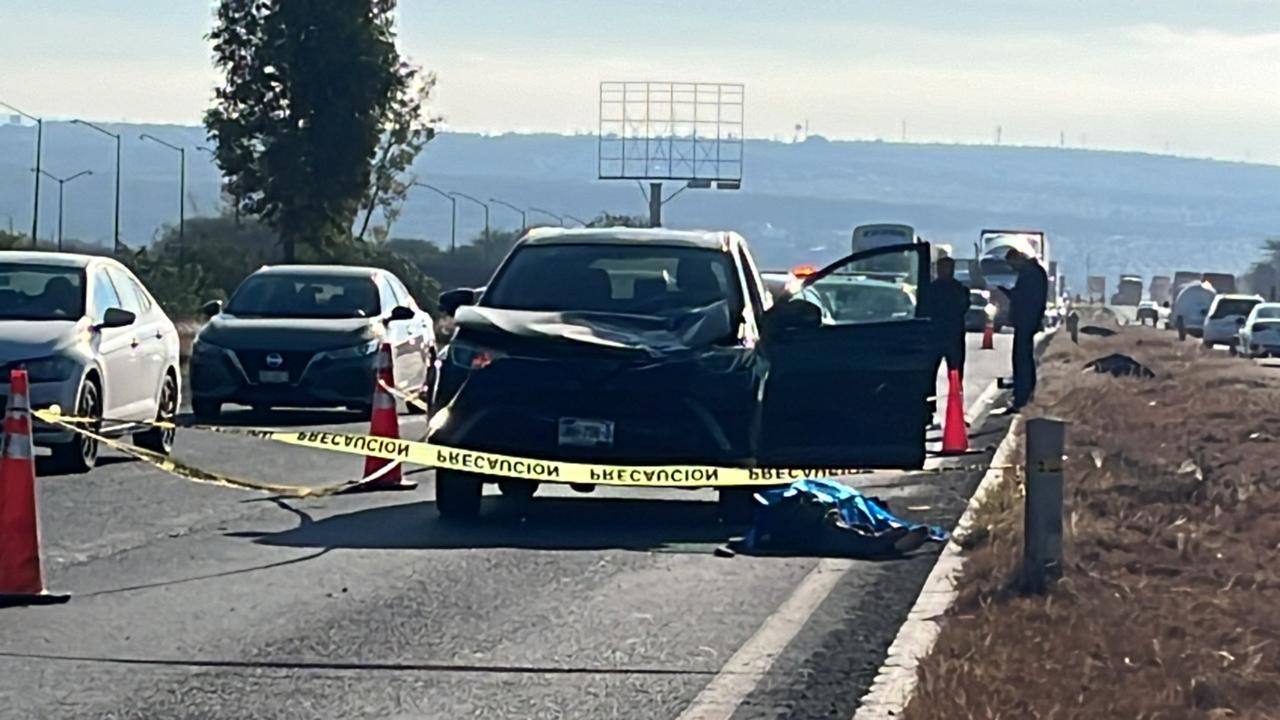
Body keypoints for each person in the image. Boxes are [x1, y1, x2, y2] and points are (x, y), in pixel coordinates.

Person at [997, 247, 1048, 411]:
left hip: (1026, 321)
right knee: (1024, 358)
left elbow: (1025, 298)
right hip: (1027, 321)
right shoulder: (1034, 272)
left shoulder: (1030, 274)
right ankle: (1025, 394)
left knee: (1021, 359)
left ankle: (1022, 397)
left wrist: (1008, 293)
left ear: (1018, 258)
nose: (1012, 269)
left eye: (1012, 264)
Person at [925, 256, 969, 382]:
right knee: (930, 374)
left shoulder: (959, 289)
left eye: (946, 268)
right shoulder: (931, 289)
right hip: (936, 334)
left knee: (955, 372)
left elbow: (963, 307)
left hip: (952, 334)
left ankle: (956, 397)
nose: (943, 270)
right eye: (941, 268)